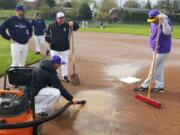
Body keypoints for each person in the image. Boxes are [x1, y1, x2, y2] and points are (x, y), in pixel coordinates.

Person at [135, 9, 173, 93]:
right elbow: (152, 32)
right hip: (155, 49)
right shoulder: (153, 22)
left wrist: (164, 23)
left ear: (158, 17)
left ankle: (145, 86)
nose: (153, 22)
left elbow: (168, 32)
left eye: (154, 20)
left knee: (154, 68)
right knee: (159, 68)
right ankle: (160, 87)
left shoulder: (166, 21)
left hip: (162, 49)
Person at [45, 12, 79, 83]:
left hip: (65, 48)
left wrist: (73, 23)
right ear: (56, 18)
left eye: (63, 17)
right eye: (60, 18)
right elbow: (47, 36)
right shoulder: (51, 26)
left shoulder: (67, 25)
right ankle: (55, 76)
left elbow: (76, 27)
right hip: (54, 48)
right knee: (54, 63)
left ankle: (64, 76)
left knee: (65, 62)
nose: (62, 19)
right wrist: (50, 42)